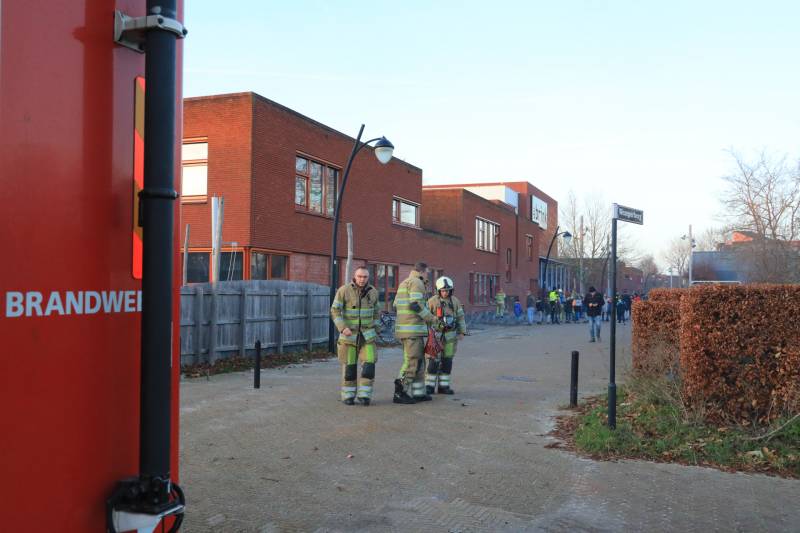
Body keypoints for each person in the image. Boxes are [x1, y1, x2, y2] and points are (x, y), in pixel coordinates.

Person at [330, 266, 381, 406]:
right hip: (349, 336)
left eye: (365, 277)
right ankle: (348, 395)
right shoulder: (344, 291)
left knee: (369, 366)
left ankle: (365, 395)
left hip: (368, 337)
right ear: (354, 276)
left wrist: (376, 328)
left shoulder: (373, 292)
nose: (362, 279)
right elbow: (335, 311)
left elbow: (377, 312)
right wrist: (342, 327)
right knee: (349, 368)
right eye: (359, 276)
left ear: (368, 278)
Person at [393, 262, 436, 404]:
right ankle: (400, 393)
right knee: (412, 361)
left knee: (419, 362)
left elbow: (395, 305)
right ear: (423, 271)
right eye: (427, 273)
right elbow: (415, 304)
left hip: (407, 329)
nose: (428, 275)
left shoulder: (404, 282)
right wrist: (431, 318)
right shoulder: (417, 282)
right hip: (412, 330)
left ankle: (419, 393)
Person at [425, 276, 467, 395]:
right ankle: (429, 386)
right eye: (443, 290)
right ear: (438, 291)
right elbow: (426, 317)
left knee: (447, 361)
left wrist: (462, 331)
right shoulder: (432, 301)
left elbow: (460, 317)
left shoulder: (455, 302)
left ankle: (444, 386)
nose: (445, 293)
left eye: (448, 290)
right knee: (433, 362)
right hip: (435, 337)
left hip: (450, 337)